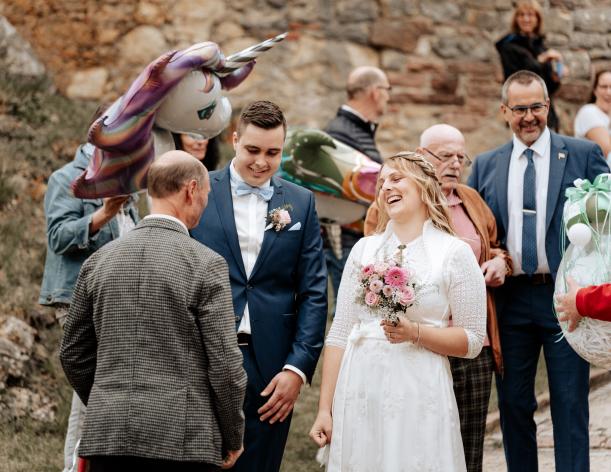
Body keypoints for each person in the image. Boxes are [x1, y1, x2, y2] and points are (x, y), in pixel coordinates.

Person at [60, 151, 247, 471]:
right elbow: (225, 367)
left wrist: (108, 401)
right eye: (205, 194)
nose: (204, 202)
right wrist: (232, 436)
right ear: (190, 190)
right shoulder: (206, 264)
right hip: (182, 440)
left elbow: (73, 353)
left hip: (109, 435)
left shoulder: (99, 261)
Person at [468, 70, 609, 472]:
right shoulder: (485, 165)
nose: (528, 117)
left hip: (566, 300)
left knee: (568, 401)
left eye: (535, 107)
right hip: (511, 301)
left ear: (547, 106)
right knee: (512, 403)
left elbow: (608, 218)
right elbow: (484, 232)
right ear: (504, 111)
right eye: (519, 109)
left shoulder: (582, 154)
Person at [309, 152, 487, 471]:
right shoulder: (364, 250)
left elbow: (473, 340)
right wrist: (325, 409)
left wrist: (415, 333)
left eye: (396, 178)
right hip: (361, 388)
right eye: (381, 183)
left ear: (423, 188)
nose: (385, 187)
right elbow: (339, 333)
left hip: (419, 389)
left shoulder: (454, 252)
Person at [365, 124, 512, 472]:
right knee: (420, 443)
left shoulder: (470, 200)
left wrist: (500, 262)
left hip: (468, 340)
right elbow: (373, 266)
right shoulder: (391, 204)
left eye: (461, 157)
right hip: (414, 344)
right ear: (421, 156)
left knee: (468, 444)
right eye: (445, 156)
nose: (455, 164)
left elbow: (495, 244)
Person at [191, 100, 327, 472]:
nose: (261, 162)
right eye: (252, 149)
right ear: (235, 140)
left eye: (273, 153)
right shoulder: (198, 190)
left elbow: (314, 292)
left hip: (271, 368)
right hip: (204, 357)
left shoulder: (301, 202)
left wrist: (297, 369)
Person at [39, 141, 139, 472]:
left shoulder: (126, 183)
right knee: (91, 396)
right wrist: (105, 213)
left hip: (120, 306)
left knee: (94, 398)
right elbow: (57, 237)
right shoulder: (67, 178)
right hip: (79, 301)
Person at [323, 66, 391, 306]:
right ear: (374, 92)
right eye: (387, 90)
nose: (388, 96)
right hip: (343, 243)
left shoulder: (354, 130)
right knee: (349, 314)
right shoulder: (341, 133)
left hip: (353, 240)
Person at [496, 0, 565, 131]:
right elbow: (517, 78)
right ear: (516, 19)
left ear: (537, 19)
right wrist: (541, 60)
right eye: (521, 15)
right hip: (520, 112)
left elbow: (548, 89)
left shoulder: (540, 46)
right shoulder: (508, 46)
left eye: (530, 15)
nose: (526, 19)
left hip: (545, 114)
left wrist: (556, 77)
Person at [574, 69, 611, 163]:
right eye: (603, 87)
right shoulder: (589, 112)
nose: (608, 92)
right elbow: (608, 152)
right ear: (595, 90)